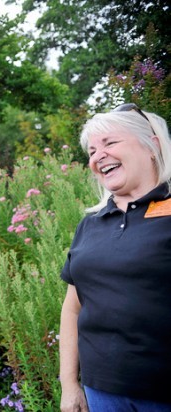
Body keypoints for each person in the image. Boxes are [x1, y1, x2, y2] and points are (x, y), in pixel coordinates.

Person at [59, 103, 171, 411]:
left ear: (152, 146)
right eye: (92, 151)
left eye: (110, 143)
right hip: (102, 393)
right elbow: (73, 309)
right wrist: (69, 385)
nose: (98, 157)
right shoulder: (90, 224)